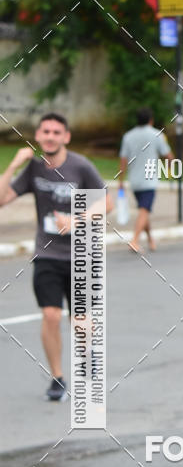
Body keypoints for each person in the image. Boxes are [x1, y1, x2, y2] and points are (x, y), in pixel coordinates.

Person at [0, 113, 112, 400]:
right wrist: (13, 165)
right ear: (37, 136)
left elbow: (107, 201)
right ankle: (57, 378)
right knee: (50, 315)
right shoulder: (34, 169)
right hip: (46, 255)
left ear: (66, 137)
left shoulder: (80, 166)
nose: (50, 136)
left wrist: (78, 220)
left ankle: (88, 355)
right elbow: (2, 200)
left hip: (80, 257)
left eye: (56, 132)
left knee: (80, 319)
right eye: (45, 131)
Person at [119, 107, 173, 252]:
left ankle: (150, 240)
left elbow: (123, 160)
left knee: (144, 210)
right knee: (144, 210)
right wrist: (169, 171)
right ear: (151, 120)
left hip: (134, 181)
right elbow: (169, 156)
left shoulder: (128, 136)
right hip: (149, 180)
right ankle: (135, 241)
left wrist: (120, 181)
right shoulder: (157, 135)